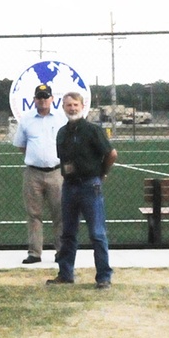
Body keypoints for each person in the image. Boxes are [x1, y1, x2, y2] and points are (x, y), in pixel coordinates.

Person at [49, 92, 117, 288]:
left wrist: (102, 174)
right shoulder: (62, 133)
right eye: (68, 105)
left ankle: (104, 276)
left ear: (82, 105)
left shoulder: (92, 130)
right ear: (63, 107)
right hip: (69, 187)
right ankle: (65, 274)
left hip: (90, 186)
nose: (72, 108)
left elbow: (111, 154)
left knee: (97, 233)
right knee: (68, 233)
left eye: (75, 105)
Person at [12, 84, 67, 264]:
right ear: (34, 99)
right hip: (33, 174)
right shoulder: (26, 120)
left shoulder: (61, 119)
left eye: (46, 97)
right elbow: (22, 145)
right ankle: (35, 253)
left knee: (59, 214)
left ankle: (61, 251)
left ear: (52, 99)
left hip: (57, 173)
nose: (42, 100)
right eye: (39, 97)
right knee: (34, 214)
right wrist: (36, 158)